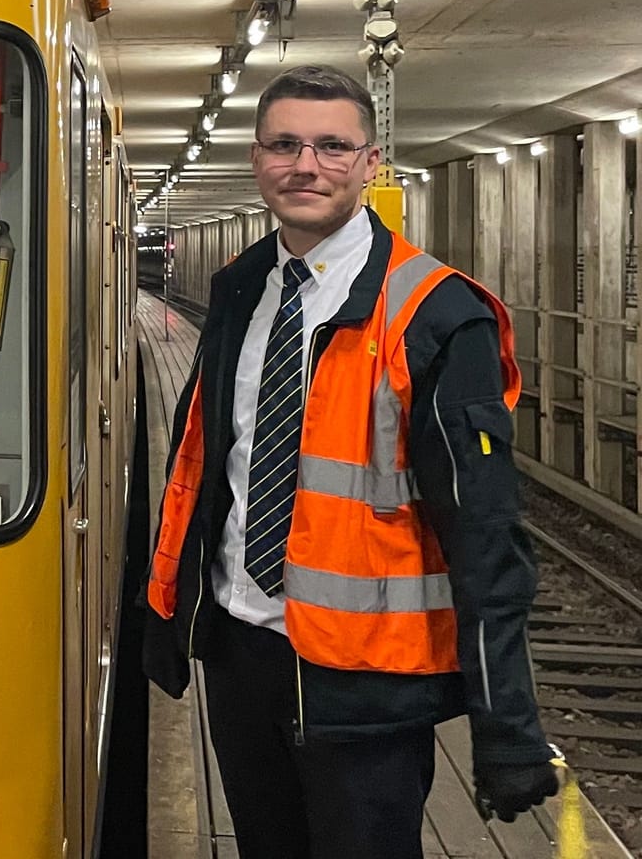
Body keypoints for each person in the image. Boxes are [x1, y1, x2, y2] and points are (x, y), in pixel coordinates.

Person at [143, 64, 559, 858]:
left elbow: (485, 530)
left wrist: (507, 725)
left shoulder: (437, 314)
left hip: (365, 682)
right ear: (257, 159)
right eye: (286, 145)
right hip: (243, 652)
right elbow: (207, 467)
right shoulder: (240, 290)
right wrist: (169, 610)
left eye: (333, 146)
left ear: (372, 163)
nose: (307, 165)